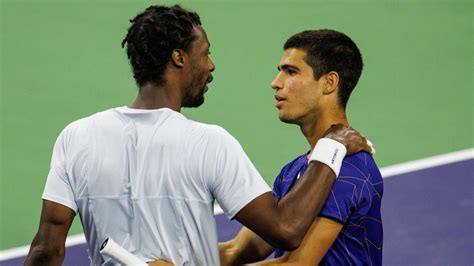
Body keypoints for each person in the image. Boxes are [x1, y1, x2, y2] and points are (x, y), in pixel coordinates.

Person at [24, 5, 372, 266]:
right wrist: (331, 147)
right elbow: (282, 230)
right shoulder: (211, 143)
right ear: (179, 58)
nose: (211, 65)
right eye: (204, 53)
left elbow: (45, 250)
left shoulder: (76, 136)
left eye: (290, 71)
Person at [219, 30, 383, 265]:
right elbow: (235, 251)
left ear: (329, 83)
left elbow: (294, 265)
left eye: (291, 72)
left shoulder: (348, 170)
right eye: (280, 72)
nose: (276, 83)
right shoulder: (294, 171)